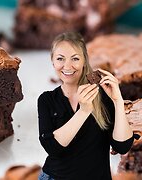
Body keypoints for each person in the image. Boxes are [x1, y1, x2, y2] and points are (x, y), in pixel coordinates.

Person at [37, 32, 134, 180]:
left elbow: (122, 146)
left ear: (84, 61)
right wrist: (83, 111)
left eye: (75, 58)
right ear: (53, 62)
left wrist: (118, 101)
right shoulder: (46, 100)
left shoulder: (103, 97)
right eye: (60, 59)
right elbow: (52, 147)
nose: (67, 66)